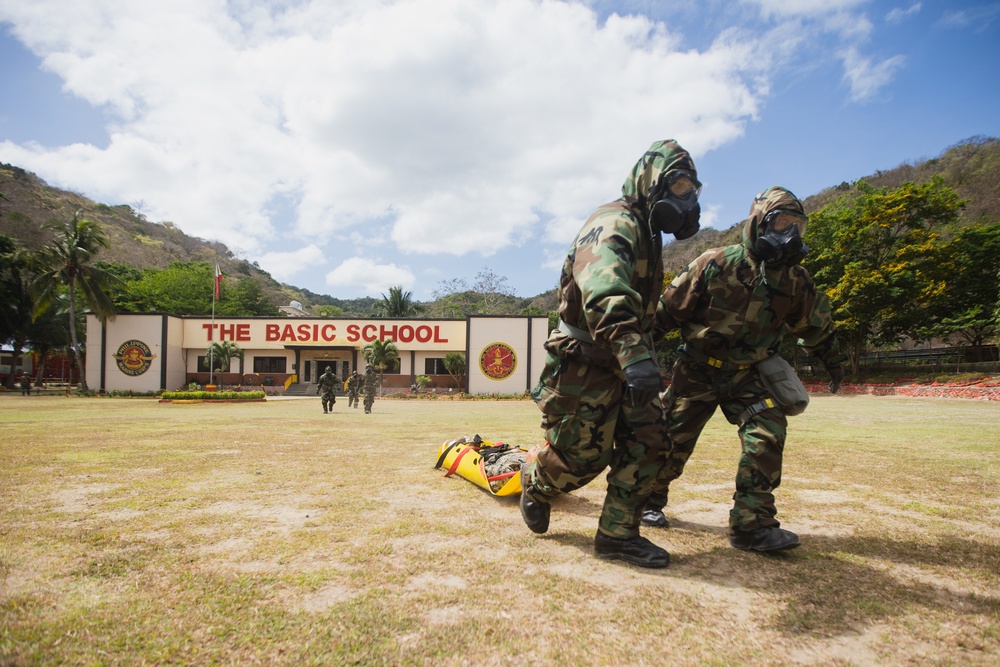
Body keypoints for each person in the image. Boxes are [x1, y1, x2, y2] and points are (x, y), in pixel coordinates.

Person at [519, 139, 702, 568]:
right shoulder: (614, 222)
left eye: (691, 188)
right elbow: (604, 291)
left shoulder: (648, 230)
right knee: (581, 458)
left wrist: (640, 352)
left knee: (650, 442)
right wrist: (635, 355)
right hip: (587, 360)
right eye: (676, 185)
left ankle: (618, 535)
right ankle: (536, 481)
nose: (686, 198)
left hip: (627, 356)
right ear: (650, 182)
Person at [642, 185, 848, 552]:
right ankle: (649, 501)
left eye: (796, 226)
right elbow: (666, 313)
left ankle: (752, 524)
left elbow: (815, 326)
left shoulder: (796, 279)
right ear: (758, 223)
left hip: (750, 373)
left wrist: (834, 362)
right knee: (670, 442)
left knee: (767, 433)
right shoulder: (714, 262)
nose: (789, 234)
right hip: (697, 369)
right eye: (781, 223)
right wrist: (635, 356)